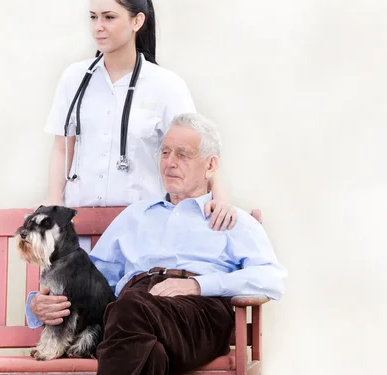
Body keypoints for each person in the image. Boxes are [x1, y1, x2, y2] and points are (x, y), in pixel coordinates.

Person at [27, 113, 286, 375]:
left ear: (210, 166)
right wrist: (38, 305)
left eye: (183, 155)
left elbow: (272, 278)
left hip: (198, 312)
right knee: (149, 351)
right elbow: (86, 278)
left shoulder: (230, 219)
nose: (170, 163)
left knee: (126, 310)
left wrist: (197, 285)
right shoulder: (135, 215)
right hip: (133, 312)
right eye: (165, 153)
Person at [40, 0, 236, 230]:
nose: (98, 27)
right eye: (93, 17)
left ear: (137, 21)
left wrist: (220, 199)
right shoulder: (74, 79)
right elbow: (61, 148)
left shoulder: (165, 85)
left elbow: (198, 148)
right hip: (81, 227)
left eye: (109, 17)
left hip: (143, 227)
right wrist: (55, 199)